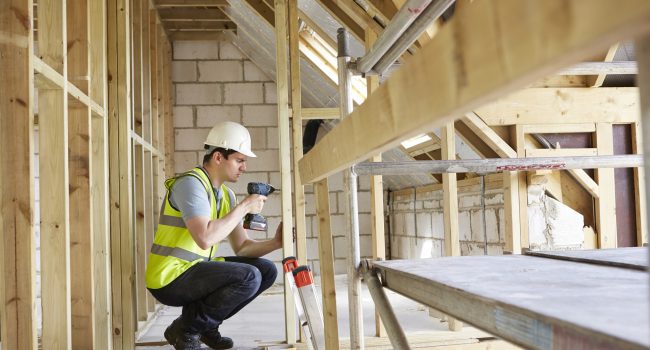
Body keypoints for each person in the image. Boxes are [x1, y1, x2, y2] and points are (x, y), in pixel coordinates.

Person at [145, 121, 282, 350]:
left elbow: (243, 247)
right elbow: (205, 238)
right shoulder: (191, 184)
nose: (244, 167)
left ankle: (206, 327)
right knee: (248, 276)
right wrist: (245, 207)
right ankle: (187, 329)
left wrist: (276, 243)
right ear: (218, 157)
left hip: (195, 269)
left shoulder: (225, 195)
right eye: (239, 160)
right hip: (169, 277)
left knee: (267, 271)